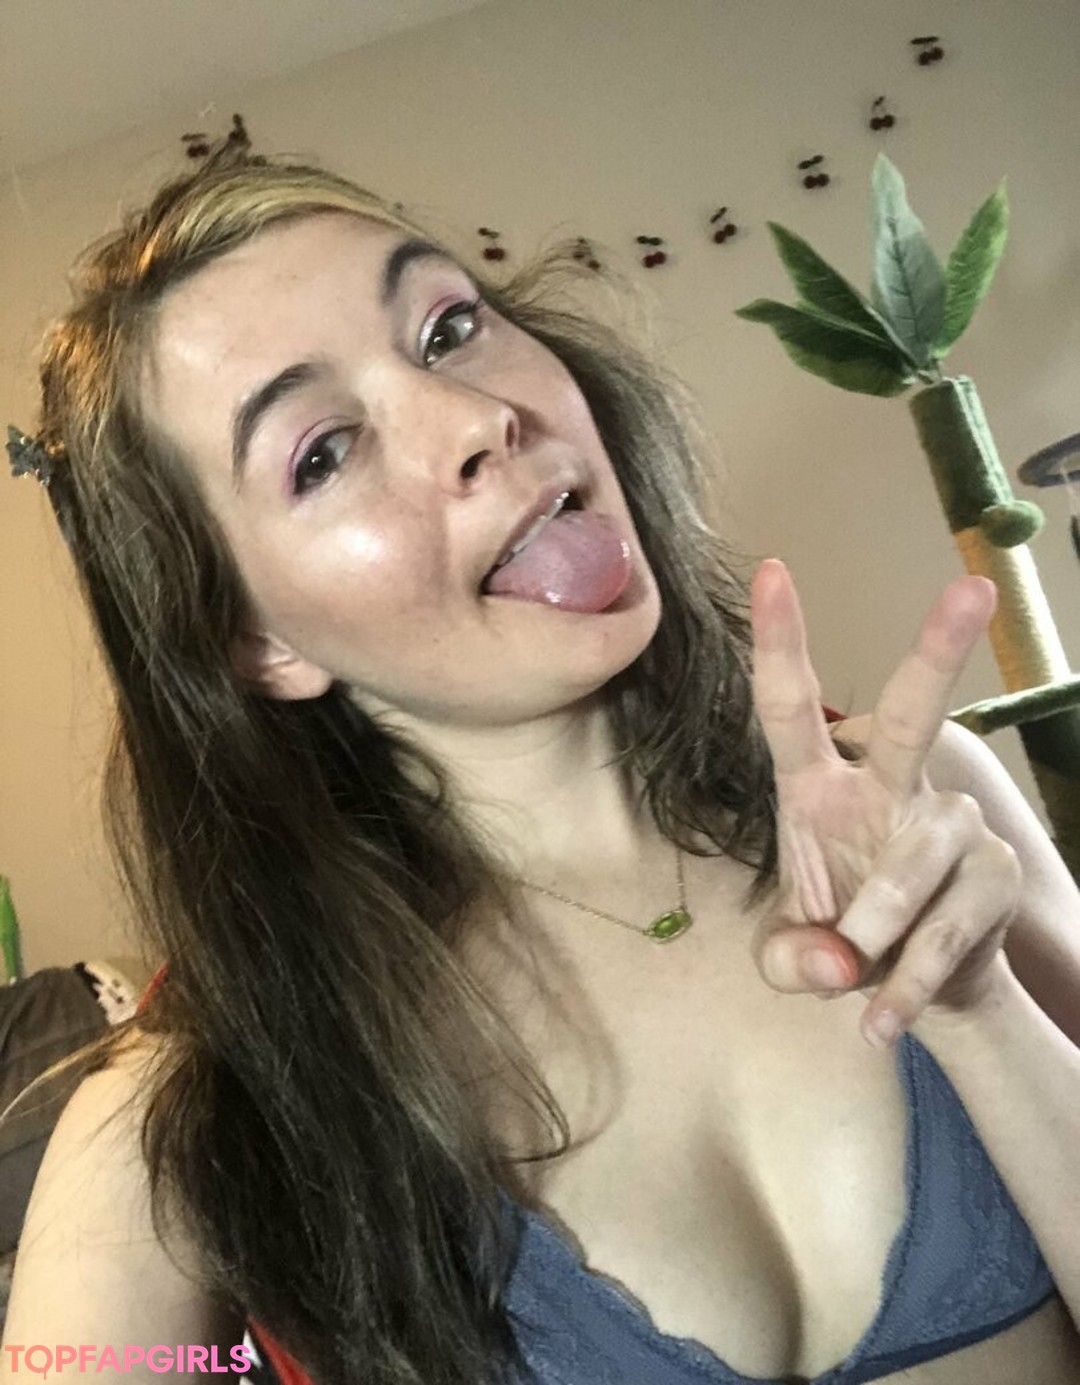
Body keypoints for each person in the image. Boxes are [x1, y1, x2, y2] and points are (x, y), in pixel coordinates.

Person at [3, 141, 1080, 1385]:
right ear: (257, 641)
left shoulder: (934, 804)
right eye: (321, 452)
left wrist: (978, 1009)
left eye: (450, 327)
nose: (478, 418)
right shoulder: (175, 1125)